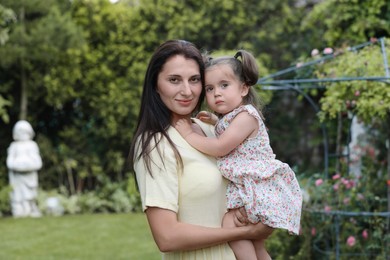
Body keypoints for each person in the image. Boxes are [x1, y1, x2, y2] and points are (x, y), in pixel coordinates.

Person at [128, 40, 273, 259]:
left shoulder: (210, 129)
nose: (187, 91)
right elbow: (167, 237)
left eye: (194, 80)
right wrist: (246, 232)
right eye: (174, 80)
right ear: (156, 85)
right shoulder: (157, 144)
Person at [175, 50, 303, 260]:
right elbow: (235, 139)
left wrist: (188, 134)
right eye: (209, 88)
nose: (216, 93)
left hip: (258, 187)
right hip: (253, 186)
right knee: (258, 246)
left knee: (230, 224)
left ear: (243, 88)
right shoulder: (233, 118)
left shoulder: (246, 116)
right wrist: (217, 123)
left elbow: (221, 147)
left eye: (224, 85)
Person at [6, 120, 43, 218]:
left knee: (29, 195)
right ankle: (19, 210)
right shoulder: (14, 146)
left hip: (29, 178)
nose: (23, 134)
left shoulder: (32, 145)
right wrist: (17, 166)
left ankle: (30, 208)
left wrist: (27, 166)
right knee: (17, 194)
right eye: (20, 132)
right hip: (17, 179)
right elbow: (9, 163)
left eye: (25, 132)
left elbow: (38, 163)